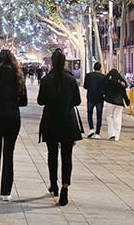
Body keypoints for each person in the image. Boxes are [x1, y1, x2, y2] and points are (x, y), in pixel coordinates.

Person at [38, 49, 82, 206]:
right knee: (67, 156)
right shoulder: (71, 80)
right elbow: (77, 101)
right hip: (67, 122)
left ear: (51, 62)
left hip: (50, 121)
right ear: (64, 62)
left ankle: (53, 184)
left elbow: (40, 101)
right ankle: (65, 188)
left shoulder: (46, 80)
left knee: (52, 154)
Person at [0, 49, 27, 201]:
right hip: (13, 117)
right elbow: (24, 101)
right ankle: (6, 191)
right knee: (9, 153)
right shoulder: (19, 76)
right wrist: (12, 103)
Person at [101, 68, 129, 141]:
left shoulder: (107, 80)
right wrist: (127, 101)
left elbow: (103, 89)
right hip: (119, 103)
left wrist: (104, 96)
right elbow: (124, 92)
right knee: (117, 118)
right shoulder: (120, 82)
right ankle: (117, 136)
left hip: (109, 101)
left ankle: (111, 134)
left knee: (109, 117)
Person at [83, 62, 106, 139]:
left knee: (89, 113)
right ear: (100, 68)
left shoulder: (88, 76)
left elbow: (85, 86)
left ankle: (91, 128)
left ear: (93, 67)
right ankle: (97, 133)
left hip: (90, 97)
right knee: (99, 115)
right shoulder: (103, 77)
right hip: (99, 98)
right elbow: (104, 88)